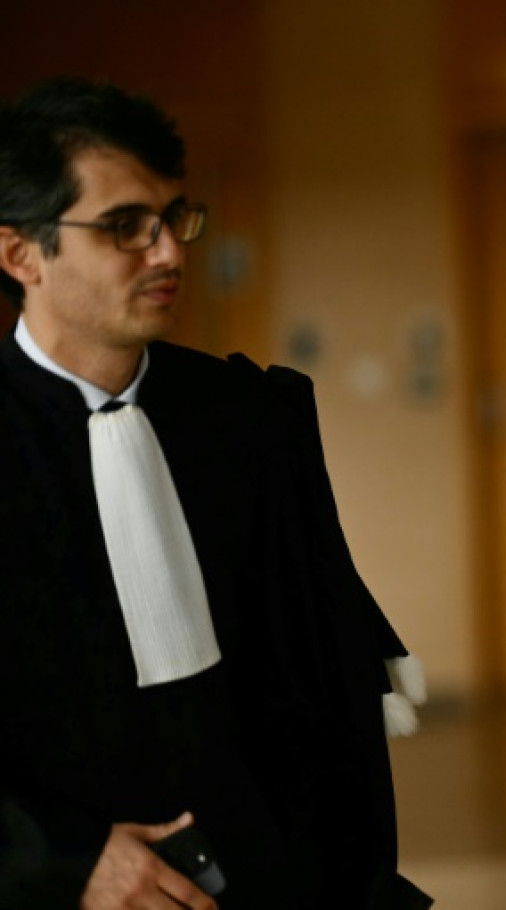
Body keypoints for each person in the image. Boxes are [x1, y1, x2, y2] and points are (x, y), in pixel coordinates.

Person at [0, 78, 430, 909]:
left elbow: (323, 692)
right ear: (22, 255)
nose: (168, 252)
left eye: (173, 218)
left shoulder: (251, 420)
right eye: (126, 227)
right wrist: (64, 859)